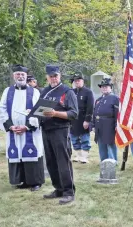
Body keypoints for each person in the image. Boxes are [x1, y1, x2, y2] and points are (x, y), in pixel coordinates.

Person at [0, 65, 44, 191]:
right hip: (14, 131)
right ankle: (21, 180)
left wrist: (27, 126)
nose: (20, 76)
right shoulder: (7, 91)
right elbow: (2, 109)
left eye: (22, 74)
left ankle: (35, 182)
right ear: (14, 76)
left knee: (32, 153)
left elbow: (39, 111)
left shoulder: (34, 92)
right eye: (17, 74)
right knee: (17, 153)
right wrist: (10, 126)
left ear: (26, 76)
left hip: (30, 131)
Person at [40, 65, 78, 204]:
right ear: (47, 77)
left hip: (61, 129)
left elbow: (73, 113)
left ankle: (69, 191)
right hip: (46, 129)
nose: (53, 78)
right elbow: (41, 109)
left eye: (55, 75)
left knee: (63, 161)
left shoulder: (67, 91)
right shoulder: (45, 91)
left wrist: (56, 113)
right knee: (51, 162)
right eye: (51, 76)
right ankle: (59, 188)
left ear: (59, 75)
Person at [92, 78, 119, 162]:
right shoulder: (98, 100)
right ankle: (104, 161)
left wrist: (116, 125)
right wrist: (93, 125)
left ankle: (113, 161)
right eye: (102, 87)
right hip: (99, 125)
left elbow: (118, 114)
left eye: (106, 86)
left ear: (110, 88)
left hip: (109, 125)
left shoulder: (115, 99)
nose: (104, 88)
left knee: (110, 144)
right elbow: (95, 113)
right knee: (101, 145)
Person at [70, 72, 94, 163]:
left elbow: (90, 107)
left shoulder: (88, 92)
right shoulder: (71, 92)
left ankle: (84, 157)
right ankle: (78, 155)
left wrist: (87, 120)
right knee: (74, 138)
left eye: (79, 80)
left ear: (82, 81)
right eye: (75, 81)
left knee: (84, 138)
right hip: (73, 119)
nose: (77, 82)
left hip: (83, 118)